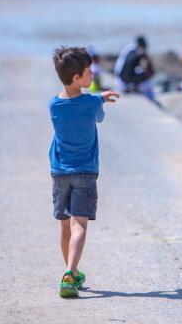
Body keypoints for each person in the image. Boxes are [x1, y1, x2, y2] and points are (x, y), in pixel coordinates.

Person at [48, 46, 119, 298]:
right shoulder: (91, 102)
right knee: (80, 226)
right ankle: (70, 272)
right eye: (88, 72)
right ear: (77, 77)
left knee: (65, 226)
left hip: (59, 173)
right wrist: (101, 98)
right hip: (85, 173)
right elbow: (97, 114)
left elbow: (82, 99)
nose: (92, 75)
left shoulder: (53, 105)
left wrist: (99, 95)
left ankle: (72, 273)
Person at [114, 36, 158, 103]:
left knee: (140, 71)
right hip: (124, 81)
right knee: (149, 76)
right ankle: (151, 99)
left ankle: (133, 87)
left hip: (118, 78)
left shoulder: (129, 48)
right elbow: (149, 67)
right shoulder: (138, 51)